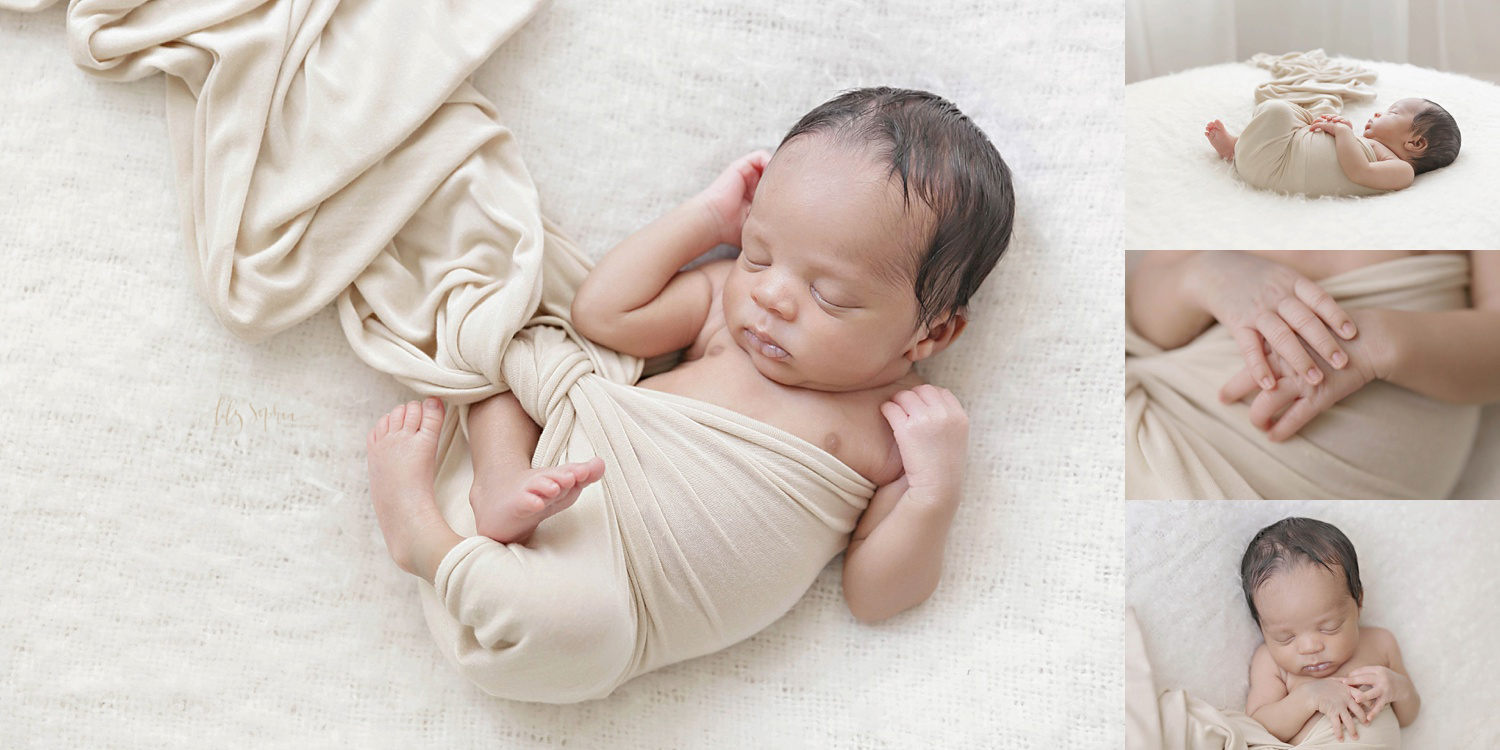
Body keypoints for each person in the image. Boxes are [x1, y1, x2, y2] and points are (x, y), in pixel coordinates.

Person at [365, 86, 1014, 629]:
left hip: (626, 608)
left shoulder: (899, 428)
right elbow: (604, 315)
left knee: (566, 628)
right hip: (567, 490)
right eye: (760, 252)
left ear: (929, 335)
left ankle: (431, 545)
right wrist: (706, 218)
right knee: (514, 345)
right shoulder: (724, 307)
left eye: (829, 294)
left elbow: (875, 598)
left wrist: (932, 491)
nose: (771, 296)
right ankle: (490, 482)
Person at [1240, 517, 1420, 744]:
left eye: (1328, 627)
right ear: (1261, 627)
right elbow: (1256, 727)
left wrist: (1399, 689)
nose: (1310, 647)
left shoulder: (1380, 643)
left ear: (1359, 602)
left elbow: (1408, 717)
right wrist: (1308, 698)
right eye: (1285, 638)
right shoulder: (1271, 662)